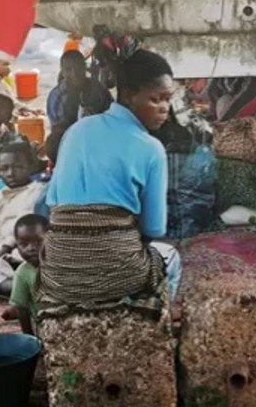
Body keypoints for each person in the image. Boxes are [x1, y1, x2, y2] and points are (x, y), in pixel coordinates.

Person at [42, 49, 182, 312]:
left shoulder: (76, 130)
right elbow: (153, 229)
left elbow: (51, 203)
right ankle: (163, 324)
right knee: (171, 257)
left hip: (59, 274)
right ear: (128, 95)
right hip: (122, 275)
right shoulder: (151, 149)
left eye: (168, 99)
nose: (165, 108)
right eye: (156, 99)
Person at [0, 137, 49, 297]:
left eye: (18, 167)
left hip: (24, 258)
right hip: (5, 260)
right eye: (4, 168)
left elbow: (17, 236)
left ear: (31, 166)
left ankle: (27, 288)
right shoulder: (3, 195)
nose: (10, 173)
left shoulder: (35, 194)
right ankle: (27, 288)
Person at [44, 49, 112, 162]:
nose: (74, 74)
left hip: (99, 139)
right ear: (62, 71)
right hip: (69, 144)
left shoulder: (98, 89)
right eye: (68, 69)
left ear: (85, 67)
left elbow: (112, 117)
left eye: (78, 68)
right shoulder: (57, 96)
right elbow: (58, 130)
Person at [6, 214, 48, 335]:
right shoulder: (22, 273)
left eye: (38, 242)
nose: (31, 248)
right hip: (46, 327)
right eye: (24, 244)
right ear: (16, 245)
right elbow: (22, 309)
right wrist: (29, 336)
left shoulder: (63, 264)